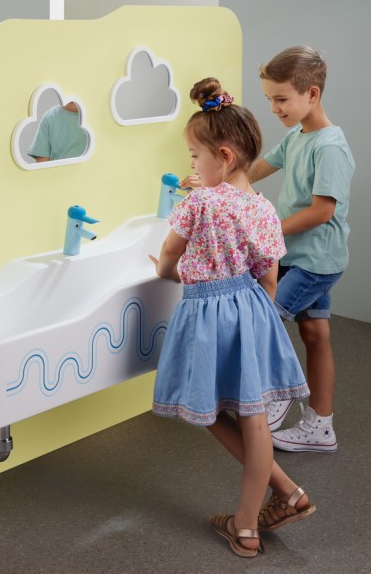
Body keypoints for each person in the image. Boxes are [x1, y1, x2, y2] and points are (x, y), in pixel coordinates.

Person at [151, 78, 316, 558]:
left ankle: (246, 525)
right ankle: (287, 493)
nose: (192, 168)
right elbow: (269, 273)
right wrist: (260, 317)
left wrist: (166, 273)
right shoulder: (263, 206)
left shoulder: (201, 200)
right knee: (251, 415)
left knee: (210, 407)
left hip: (208, 313)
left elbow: (169, 251)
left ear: (222, 156)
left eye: (194, 158)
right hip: (252, 308)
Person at [251, 45, 355, 453]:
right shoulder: (298, 134)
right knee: (314, 334)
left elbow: (321, 210)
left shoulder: (329, 147)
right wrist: (220, 177)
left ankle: (278, 396)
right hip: (300, 256)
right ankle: (320, 426)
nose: (274, 108)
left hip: (316, 262)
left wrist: (269, 232)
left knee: (265, 318)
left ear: (311, 94)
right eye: (269, 100)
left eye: (281, 99)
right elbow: (261, 167)